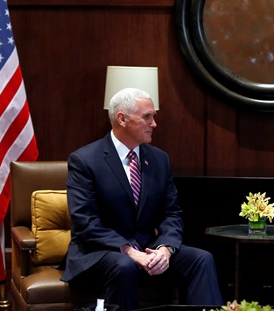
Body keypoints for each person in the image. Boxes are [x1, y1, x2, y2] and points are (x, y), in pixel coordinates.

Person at [60, 87, 223, 310]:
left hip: (148, 250)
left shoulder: (158, 159)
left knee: (201, 259)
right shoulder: (85, 160)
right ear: (122, 119)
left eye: (154, 117)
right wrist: (130, 251)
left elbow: (171, 213)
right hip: (98, 253)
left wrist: (165, 249)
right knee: (125, 265)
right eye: (147, 117)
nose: (154, 123)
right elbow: (85, 222)